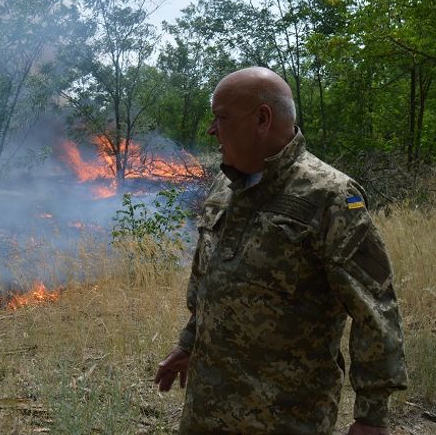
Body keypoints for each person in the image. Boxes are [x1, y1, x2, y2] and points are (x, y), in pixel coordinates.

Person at [154, 67, 407, 435]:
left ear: (262, 119)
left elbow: (375, 307)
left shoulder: (331, 196)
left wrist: (371, 416)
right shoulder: (225, 186)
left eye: (221, 117)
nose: (212, 129)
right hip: (207, 409)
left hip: (284, 416)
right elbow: (211, 280)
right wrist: (188, 343)